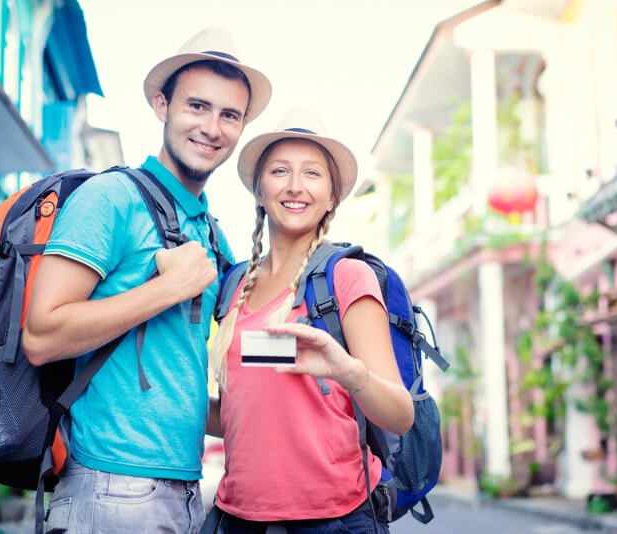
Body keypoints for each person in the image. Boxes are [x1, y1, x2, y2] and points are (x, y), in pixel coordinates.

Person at [21, 28, 271, 533]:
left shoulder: (208, 231)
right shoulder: (112, 198)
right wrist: (165, 290)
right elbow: (41, 336)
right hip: (110, 489)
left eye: (230, 115)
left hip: (181, 490)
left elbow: (175, 384)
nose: (212, 127)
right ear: (162, 105)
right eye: (197, 106)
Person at [204, 108, 415, 533]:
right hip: (239, 519)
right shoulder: (232, 287)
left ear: (332, 197)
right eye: (280, 171)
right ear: (260, 190)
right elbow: (244, 413)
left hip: (335, 520)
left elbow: (400, 415)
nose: (295, 186)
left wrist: (347, 372)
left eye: (312, 174)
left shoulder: (345, 278)